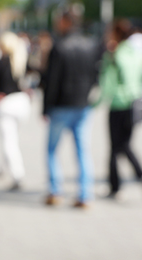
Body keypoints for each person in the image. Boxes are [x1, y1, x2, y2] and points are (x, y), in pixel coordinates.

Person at [43, 12, 100, 209]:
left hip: (61, 105)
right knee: (83, 150)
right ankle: (85, 195)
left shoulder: (59, 47)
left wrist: (45, 107)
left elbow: (51, 81)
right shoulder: (91, 44)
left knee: (51, 149)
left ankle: (55, 191)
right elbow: (96, 74)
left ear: (66, 22)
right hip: (83, 104)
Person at [97, 20, 142, 199]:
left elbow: (107, 82)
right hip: (134, 102)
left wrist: (97, 101)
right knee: (125, 144)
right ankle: (141, 176)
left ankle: (118, 185)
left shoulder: (115, 54)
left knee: (116, 147)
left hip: (118, 103)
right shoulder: (137, 53)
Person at [0, 32, 31, 190]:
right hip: (22, 103)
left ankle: (18, 175)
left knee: (9, 141)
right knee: (12, 138)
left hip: (7, 104)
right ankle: (3, 167)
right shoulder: (22, 60)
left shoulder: (1, 62)